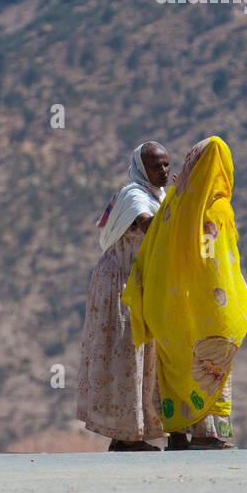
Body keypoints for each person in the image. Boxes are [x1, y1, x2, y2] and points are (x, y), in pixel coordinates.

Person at [122, 136, 247, 451]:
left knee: (176, 363)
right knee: (211, 361)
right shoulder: (216, 207)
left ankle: (178, 432)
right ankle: (206, 433)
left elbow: (160, 244)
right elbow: (213, 260)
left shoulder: (176, 203)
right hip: (206, 302)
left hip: (167, 301)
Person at [77, 141, 171, 451]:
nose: (164, 171)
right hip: (119, 284)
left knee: (142, 356)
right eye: (156, 166)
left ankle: (132, 433)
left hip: (139, 284)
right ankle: (126, 436)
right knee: (127, 353)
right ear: (143, 168)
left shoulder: (159, 197)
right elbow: (148, 226)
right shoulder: (134, 195)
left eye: (167, 165)